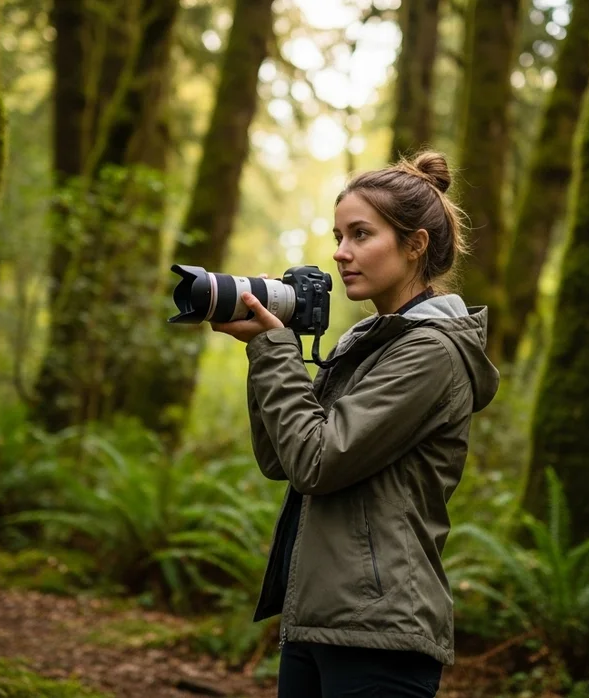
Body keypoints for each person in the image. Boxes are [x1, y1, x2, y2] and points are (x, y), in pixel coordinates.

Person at [211, 151, 500, 698]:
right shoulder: (364, 345)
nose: (341, 253)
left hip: (380, 633)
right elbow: (280, 459)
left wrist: (275, 349)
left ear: (415, 245)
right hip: (318, 617)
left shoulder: (432, 354)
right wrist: (263, 349)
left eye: (361, 234)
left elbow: (316, 462)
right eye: (338, 236)